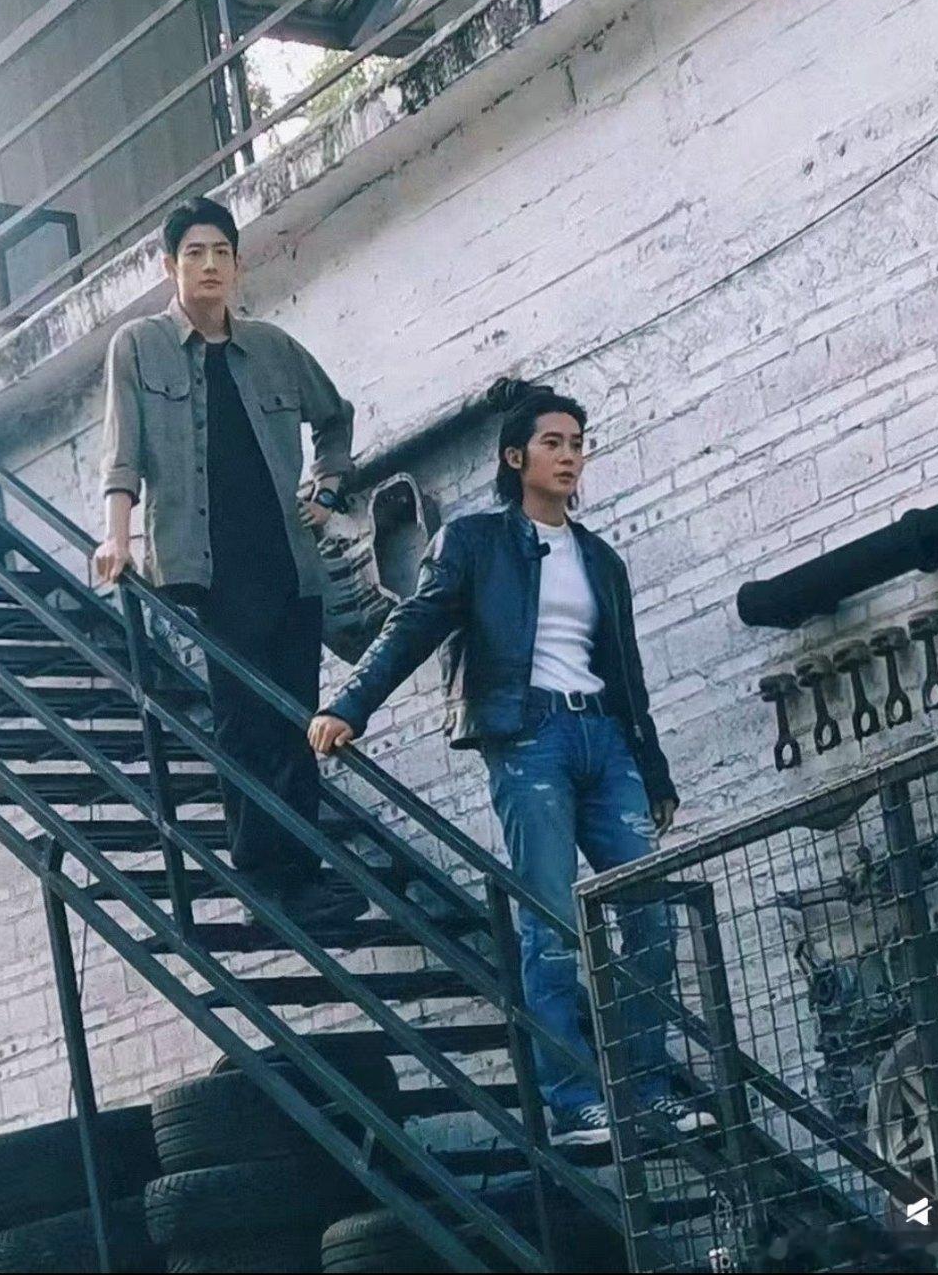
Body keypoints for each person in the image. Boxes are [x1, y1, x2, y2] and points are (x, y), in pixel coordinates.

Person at [308, 378, 716, 1145]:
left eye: (576, 444)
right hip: (530, 742)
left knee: (651, 916)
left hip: (606, 741)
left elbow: (627, 674)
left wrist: (654, 770)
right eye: (552, 443)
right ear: (515, 456)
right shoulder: (473, 543)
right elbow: (415, 623)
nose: (568, 456)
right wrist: (349, 704)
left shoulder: (601, 560)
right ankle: (574, 1099)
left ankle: (647, 1090)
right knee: (552, 922)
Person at [96, 195, 366, 929]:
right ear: (170, 267)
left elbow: (335, 417)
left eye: (221, 252)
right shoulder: (138, 346)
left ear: (238, 265)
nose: (209, 265)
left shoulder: (272, 348)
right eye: (194, 253)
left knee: (298, 719)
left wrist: (328, 489)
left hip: (289, 562)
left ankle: (303, 876)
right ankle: (263, 884)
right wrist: (118, 539)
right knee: (244, 720)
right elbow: (123, 456)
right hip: (209, 568)